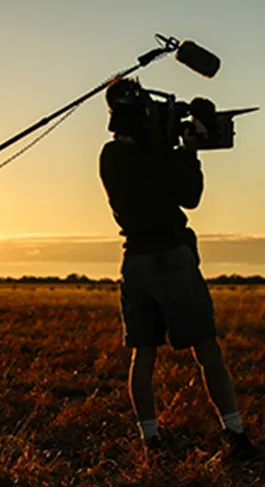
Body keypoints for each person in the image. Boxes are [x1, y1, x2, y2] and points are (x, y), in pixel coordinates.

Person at [98, 78, 261, 460]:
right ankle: (235, 433)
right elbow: (190, 197)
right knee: (206, 347)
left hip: (134, 261)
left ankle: (150, 439)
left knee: (144, 352)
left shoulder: (110, 156)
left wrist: (168, 140)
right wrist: (188, 149)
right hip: (171, 255)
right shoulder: (159, 154)